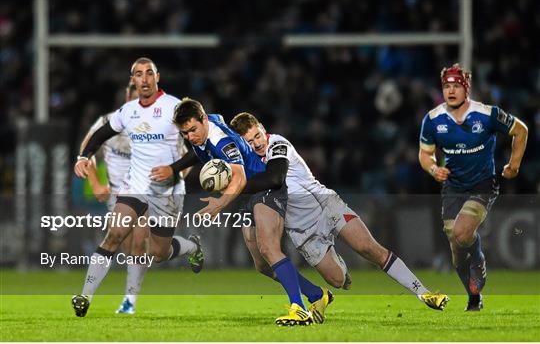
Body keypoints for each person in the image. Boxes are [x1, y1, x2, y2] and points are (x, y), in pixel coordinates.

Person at [230, 112, 449, 320]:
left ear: (263, 129)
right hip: (302, 231)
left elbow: (276, 177)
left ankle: (424, 292)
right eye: (250, 141)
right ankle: (336, 267)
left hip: (325, 206)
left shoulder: (277, 144)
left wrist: (237, 187)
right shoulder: (245, 165)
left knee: (369, 248)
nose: (257, 143)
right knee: (338, 280)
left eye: (257, 135)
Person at [151, 98, 321, 326]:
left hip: (265, 188)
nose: (190, 137)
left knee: (270, 249)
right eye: (185, 133)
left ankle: (299, 309)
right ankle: (317, 295)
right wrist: (173, 169)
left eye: (192, 130)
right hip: (247, 195)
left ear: (202, 120)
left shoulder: (222, 142)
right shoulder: (204, 127)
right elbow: (196, 149)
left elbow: (239, 178)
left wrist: (219, 205)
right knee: (262, 265)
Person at [71, 58, 203, 317]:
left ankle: (192, 247)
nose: (144, 79)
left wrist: (174, 169)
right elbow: (100, 135)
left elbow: (200, 145)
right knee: (114, 235)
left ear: (157, 76)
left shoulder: (174, 107)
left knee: (157, 253)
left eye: (149, 73)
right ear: (132, 80)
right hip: (135, 186)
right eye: (138, 74)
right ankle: (84, 296)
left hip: (166, 191)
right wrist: (83, 157)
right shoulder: (128, 111)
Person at [418, 63, 528, 311]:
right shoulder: (433, 120)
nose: (451, 91)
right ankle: (474, 296)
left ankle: (478, 257)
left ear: (466, 88)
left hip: (483, 184)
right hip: (453, 187)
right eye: (447, 86)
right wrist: (434, 168)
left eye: (456, 85)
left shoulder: (487, 114)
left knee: (463, 233)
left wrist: (513, 165)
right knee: (456, 248)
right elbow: (425, 155)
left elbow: (520, 131)